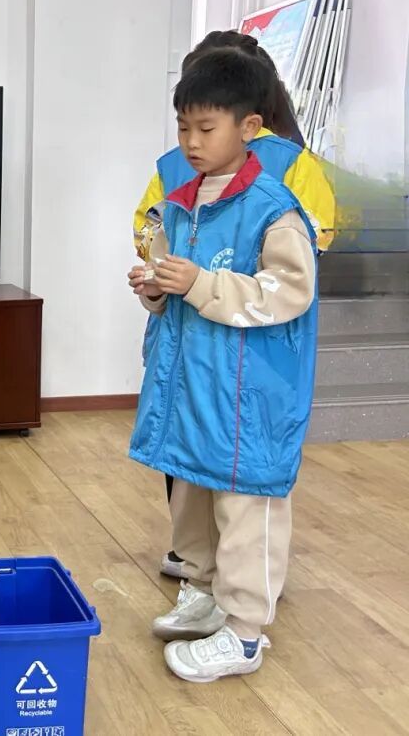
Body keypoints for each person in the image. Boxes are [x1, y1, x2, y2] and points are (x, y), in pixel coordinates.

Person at [128, 49, 318, 682]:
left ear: (249, 127)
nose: (191, 142)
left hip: (246, 397)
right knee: (193, 495)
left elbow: (289, 292)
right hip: (193, 390)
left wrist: (201, 284)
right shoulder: (179, 203)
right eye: (183, 127)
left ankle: (244, 632)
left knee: (246, 509)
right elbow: (171, 285)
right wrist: (155, 289)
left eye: (206, 128)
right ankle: (205, 591)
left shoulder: (272, 208)